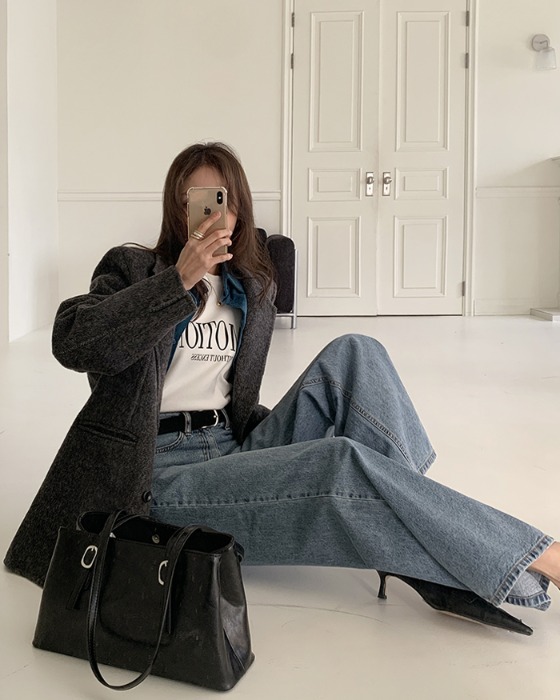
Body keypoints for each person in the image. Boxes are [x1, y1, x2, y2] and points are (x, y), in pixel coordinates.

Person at [5, 142, 560, 636]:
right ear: (177, 208)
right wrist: (178, 281)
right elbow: (74, 342)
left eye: (222, 200)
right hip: (156, 475)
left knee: (358, 351)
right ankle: (529, 556)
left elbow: (238, 400)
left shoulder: (253, 289)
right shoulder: (135, 269)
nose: (210, 214)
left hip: (233, 448)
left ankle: (420, 548)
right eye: (196, 200)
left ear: (239, 209)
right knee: (339, 461)